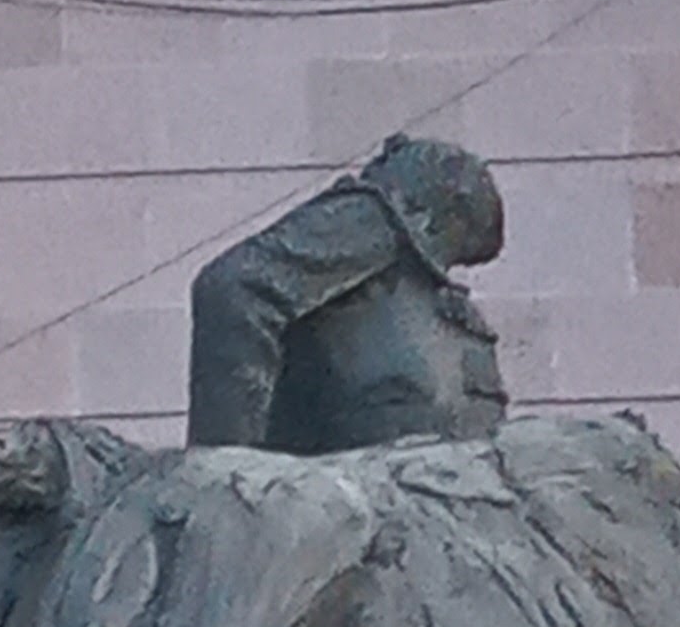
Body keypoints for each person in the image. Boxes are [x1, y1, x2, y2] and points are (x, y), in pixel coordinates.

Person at [185, 134, 508, 454]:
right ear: (441, 216)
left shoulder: (436, 302)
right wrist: (226, 470)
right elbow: (237, 285)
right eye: (448, 247)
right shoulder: (376, 220)